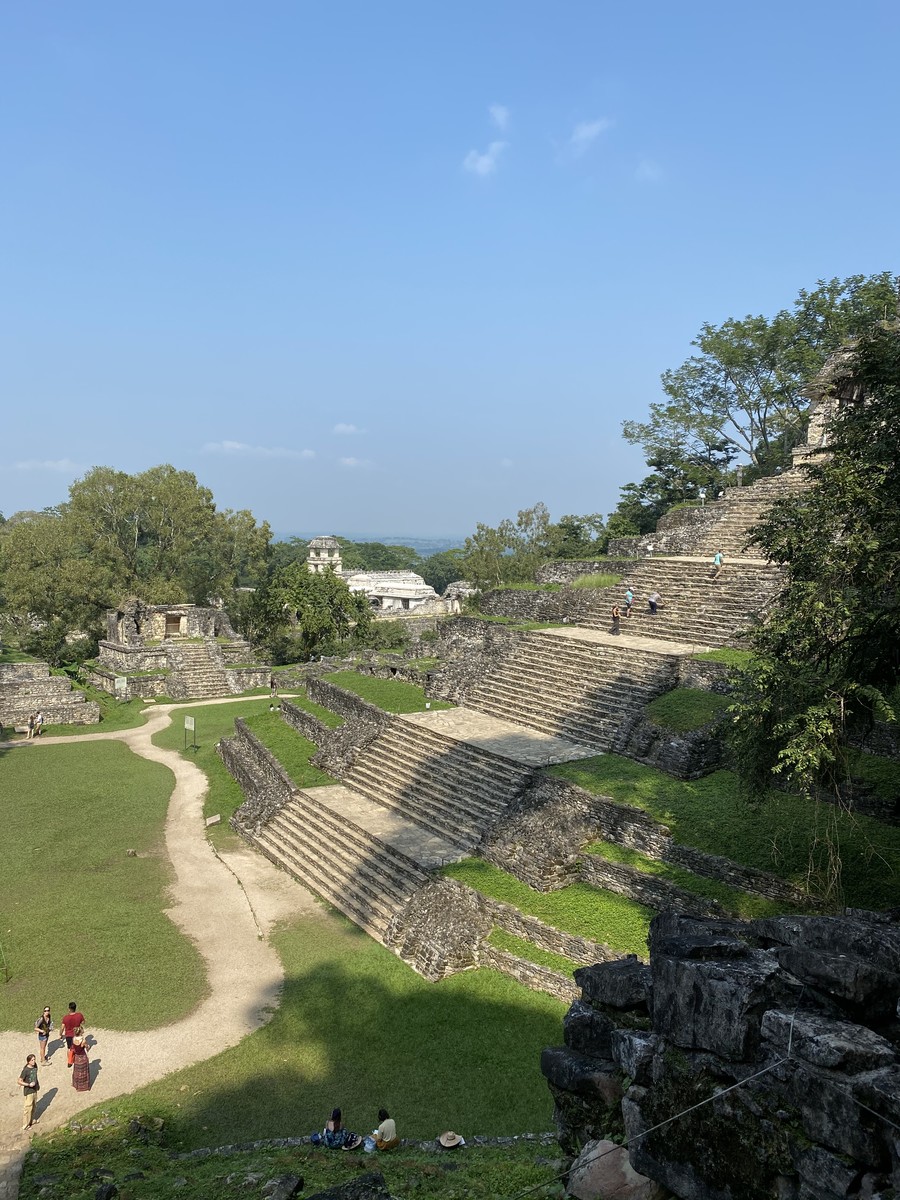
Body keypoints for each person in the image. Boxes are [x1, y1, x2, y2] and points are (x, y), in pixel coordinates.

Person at [61, 1001, 86, 1067]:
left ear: (69, 1009)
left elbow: (62, 1027)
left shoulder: (65, 1018)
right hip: (77, 1034)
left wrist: (60, 1034)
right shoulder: (79, 1015)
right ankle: (77, 1059)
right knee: (78, 1048)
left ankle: (70, 1061)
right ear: (75, 1008)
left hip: (68, 1035)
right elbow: (83, 1022)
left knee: (69, 1048)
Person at [18, 1055, 39, 1131]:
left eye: (34, 1060)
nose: (34, 1061)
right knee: (28, 1108)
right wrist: (28, 1084)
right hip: (29, 1091)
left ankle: (31, 1121)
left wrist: (37, 1085)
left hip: (34, 1090)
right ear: (28, 1061)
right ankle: (25, 1125)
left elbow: (35, 1077)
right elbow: (19, 1081)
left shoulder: (35, 1067)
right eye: (32, 1060)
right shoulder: (25, 1070)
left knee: (34, 1106)